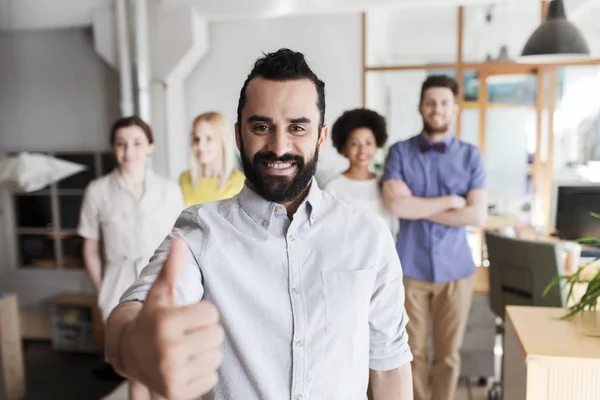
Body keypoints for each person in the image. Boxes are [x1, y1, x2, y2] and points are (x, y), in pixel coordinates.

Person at [104, 49, 414, 400]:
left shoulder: (367, 235)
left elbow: (388, 363)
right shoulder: (201, 230)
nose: (279, 147)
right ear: (239, 135)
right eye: (262, 127)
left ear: (321, 137)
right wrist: (134, 343)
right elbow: (134, 310)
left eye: (297, 127)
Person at [381, 75, 488, 400]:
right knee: (411, 350)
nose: (437, 108)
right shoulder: (400, 152)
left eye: (444, 102)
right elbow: (393, 204)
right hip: (410, 268)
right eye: (431, 102)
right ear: (420, 107)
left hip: (456, 270)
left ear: (454, 108)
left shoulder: (471, 155)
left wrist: (416, 206)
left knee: (448, 354)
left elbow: (476, 216)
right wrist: (450, 201)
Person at [78, 116, 184, 399]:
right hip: (118, 282)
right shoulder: (98, 191)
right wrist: (102, 288)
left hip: (159, 280)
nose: (129, 152)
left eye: (137, 143)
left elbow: (181, 242)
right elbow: (90, 247)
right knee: (133, 367)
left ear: (150, 146)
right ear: (114, 148)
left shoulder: (169, 190)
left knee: (163, 364)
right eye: (121, 144)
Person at [324, 108, 397, 235]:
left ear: (376, 146)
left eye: (368, 143)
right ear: (344, 148)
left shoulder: (385, 184)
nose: (363, 149)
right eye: (355, 143)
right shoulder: (332, 188)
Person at [179, 111, 245, 206]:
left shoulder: (240, 183)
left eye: (209, 138)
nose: (200, 146)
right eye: (196, 138)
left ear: (223, 142)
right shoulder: (184, 179)